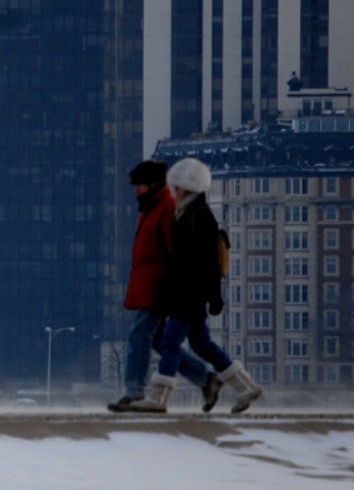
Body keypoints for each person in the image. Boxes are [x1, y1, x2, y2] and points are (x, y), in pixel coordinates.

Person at [130, 157, 263, 414]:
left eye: (176, 187)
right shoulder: (191, 213)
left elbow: (207, 261)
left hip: (187, 294)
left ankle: (159, 399)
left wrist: (213, 295)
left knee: (169, 343)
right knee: (202, 344)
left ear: (185, 188)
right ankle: (245, 386)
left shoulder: (197, 216)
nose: (173, 192)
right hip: (190, 293)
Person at [109, 159, 220, 413]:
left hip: (158, 288)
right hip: (147, 285)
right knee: (158, 341)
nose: (136, 189)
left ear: (153, 184)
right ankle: (205, 379)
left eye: (140, 185)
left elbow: (177, 252)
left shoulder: (165, 208)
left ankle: (134, 392)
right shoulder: (149, 208)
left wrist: (177, 288)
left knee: (139, 335)